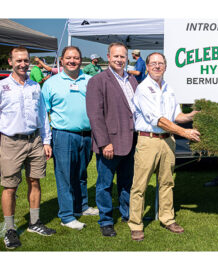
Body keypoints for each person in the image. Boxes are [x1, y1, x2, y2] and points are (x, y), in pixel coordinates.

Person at [128, 52, 200, 241]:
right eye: (153, 63)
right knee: (139, 185)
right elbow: (158, 119)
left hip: (168, 140)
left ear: (165, 67)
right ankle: (136, 224)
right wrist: (185, 133)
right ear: (147, 66)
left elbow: (176, 116)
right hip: (148, 140)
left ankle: (167, 218)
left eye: (161, 63)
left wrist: (193, 114)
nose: (157, 66)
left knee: (167, 182)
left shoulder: (168, 88)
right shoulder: (143, 88)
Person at [0, 47, 55, 249]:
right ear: (10, 62)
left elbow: (42, 116)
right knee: (10, 186)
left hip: (34, 142)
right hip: (11, 142)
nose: (23, 64)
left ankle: (34, 222)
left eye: (26, 60)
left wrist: (46, 141)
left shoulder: (35, 87)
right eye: (19, 60)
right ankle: (11, 229)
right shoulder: (3, 86)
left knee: (35, 181)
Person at [42, 46, 98, 231]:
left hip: (87, 135)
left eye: (75, 58)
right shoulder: (51, 83)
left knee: (81, 174)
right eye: (68, 58)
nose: (72, 61)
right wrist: (46, 140)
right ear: (62, 60)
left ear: (81, 60)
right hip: (63, 135)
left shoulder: (90, 81)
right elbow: (44, 113)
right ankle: (66, 215)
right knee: (65, 176)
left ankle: (81, 206)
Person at [86, 42, 139, 237]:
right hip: (110, 143)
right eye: (116, 56)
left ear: (127, 58)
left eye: (122, 57)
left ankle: (127, 214)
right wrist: (104, 142)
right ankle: (106, 220)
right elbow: (95, 115)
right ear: (108, 57)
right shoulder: (98, 81)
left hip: (131, 141)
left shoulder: (132, 80)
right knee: (105, 185)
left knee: (127, 182)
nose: (119, 60)